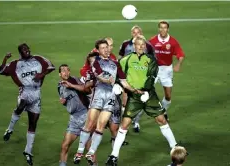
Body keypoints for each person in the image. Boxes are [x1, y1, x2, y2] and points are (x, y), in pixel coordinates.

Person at [106, 36, 178, 166]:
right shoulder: (126, 60)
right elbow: (118, 73)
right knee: (125, 124)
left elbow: (152, 75)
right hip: (134, 96)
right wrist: (119, 84)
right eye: (138, 44)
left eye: (142, 44)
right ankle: (113, 156)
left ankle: (175, 148)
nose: (140, 46)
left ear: (145, 46)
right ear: (134, 46)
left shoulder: (150, 60)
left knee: (161, 119)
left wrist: (145, 90)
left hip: (149, 95)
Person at [73, 39, 142, 165]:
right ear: (98, 51)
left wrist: (134, 90)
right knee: (89, 124)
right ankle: (80, 151)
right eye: (103, 48)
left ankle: (91, 152)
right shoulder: (95, 61)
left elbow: (123, 81)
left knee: (100, 127)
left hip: (110, 97)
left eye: (107, 47)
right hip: (99, 94)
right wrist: (108, 80)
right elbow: (99, 76)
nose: (106, 49)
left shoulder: (115, 63)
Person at [0, 43, 55, 166]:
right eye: (24, 49)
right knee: (22, 104)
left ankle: (28, 151)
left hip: (36, 93)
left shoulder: (39, 59)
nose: (27, 50)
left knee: (33, 123)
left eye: (27, 48)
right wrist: (5, 58)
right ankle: (10, 130)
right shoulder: (15, 64)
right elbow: (1, 70)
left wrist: (42, 74)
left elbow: (51, 67)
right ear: (20, 52)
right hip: (25, 91)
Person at [119, 26, 155, 132]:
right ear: (131, 33)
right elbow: (120, 58)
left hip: (141, 78)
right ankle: (124, 123)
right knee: (125, 102)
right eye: (134, 32)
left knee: (141, 101)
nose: (136, 34)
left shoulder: (147, 45)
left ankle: (136, 122)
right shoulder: (125, 44)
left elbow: (153, 60)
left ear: (141, 33)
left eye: (138, 32)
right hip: (128, 77)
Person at [149, 21, 185, 122]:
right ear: (158, 29)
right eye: (161, 27)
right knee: (145, 93)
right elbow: (145, 52)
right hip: (154, 69)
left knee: (168, 96)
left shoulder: (173, 42)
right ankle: (136, 120)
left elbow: (180, 55)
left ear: (168, 29)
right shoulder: (152, 40)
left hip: (167, 70)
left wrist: (178, 64)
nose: (163, 30)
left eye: (165, 28)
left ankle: (163, 111)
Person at [57, 64, 93, 166]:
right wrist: (64, 102)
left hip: (84, 116)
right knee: (65, 145)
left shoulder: (75, 80)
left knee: (89, 149)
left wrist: (71, 85)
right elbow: (67, 100)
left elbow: (87, 90)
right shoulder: (60, 86)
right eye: (63, 71)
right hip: (73, 119)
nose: (66, 72)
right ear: (60, 74)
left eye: (67, 70)